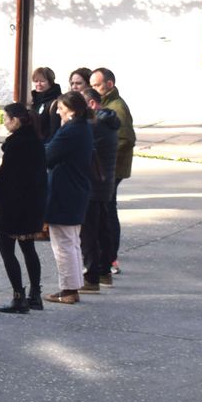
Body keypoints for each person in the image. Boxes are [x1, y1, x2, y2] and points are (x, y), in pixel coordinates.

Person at [0, 103, 47, 314]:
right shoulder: (36, 141)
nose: (4, 122)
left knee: (7, 249)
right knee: (28, 248)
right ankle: (35, 294)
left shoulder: (16, 144)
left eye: (6, 118)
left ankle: (18, 296)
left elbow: (5, 179)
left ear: (16, 120)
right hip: (32, 205)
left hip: (13, 207)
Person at [43, 91, 94, 304]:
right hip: (77, 190)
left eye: (61, 109)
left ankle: (68, 289)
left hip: (65, 191)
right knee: (71, 242)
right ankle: (72, 286)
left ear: (72, 110)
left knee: (63, 243)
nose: (58, 112)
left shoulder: (71, 130)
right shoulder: (84, 128)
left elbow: (48, 155)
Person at [92, 66, 134, 280]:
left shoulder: (117, 107)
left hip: (112, 169)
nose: (94, 89)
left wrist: (105, 163)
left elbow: (125, 139)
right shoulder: (107, 103)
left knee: (108, 212)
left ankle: (110, 256)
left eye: (97, 85)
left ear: (110, 84)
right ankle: (107, 256)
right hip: (108, 168)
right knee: (106, 210)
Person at [80, 86, 120, 293]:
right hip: (103, 185)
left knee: (89, 234)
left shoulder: (95, 125)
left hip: (93, 186)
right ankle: (104, 272)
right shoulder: (108, 122)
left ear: (92, 104)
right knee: (103, 230)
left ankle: (91, 278)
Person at [29, 67, 63, 141]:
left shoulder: (55, 102)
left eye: (42, 81)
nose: (38, 84)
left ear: (50, 82)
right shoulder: (34, 100)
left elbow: (54, 130)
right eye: (36, 81)